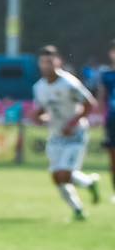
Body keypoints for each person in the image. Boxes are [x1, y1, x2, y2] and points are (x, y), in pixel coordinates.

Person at [33, 44, 101, 220]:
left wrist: (73, 123)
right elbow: (42, 110)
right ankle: (79, 205)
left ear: (58, 62)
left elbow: (89, 103)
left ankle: (87, 186)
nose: (46, 66)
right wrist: (38, 117)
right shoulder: (39, 87)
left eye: (49, 62)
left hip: (75, 134)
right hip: (55, 135)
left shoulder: (68, 83)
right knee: (57, 177)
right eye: (43, 62)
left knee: (65, 173)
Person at [93, 40, 115, 189]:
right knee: (113, 159)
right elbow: (101, 98)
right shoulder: (106, 74)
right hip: (112, 120)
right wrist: (100, 117)